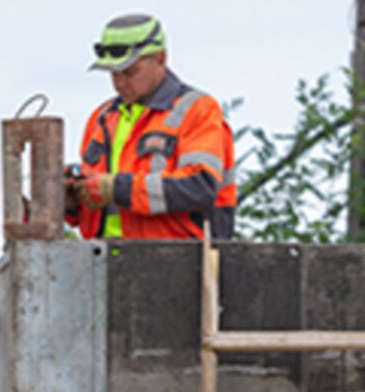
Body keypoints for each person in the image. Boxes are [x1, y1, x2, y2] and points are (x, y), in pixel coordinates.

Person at [66, 13, 237, 240]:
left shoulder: (197, 110)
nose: (119, 83)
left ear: (160, 59)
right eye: (113, 74)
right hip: (102, 260)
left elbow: (199, 188)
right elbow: (97, 210)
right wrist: (72, 201)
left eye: (129, 72)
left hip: (179, 261)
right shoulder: (102, 118)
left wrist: (117, 189)